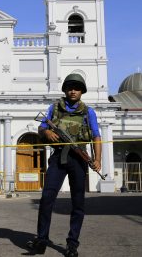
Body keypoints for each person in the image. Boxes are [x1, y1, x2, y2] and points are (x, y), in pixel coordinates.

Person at [28, 73, 102, 256]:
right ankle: (42, 239)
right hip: (59, 158)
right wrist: (47, 134)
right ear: (65, 89)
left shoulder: (88, 112)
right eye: (70, 87)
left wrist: (97, 159)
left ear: (82, 91)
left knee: (78, 203)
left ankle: (72, 244)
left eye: (77, 88)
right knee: (47, 198)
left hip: (78, 159)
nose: (73, 90)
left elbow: (96, 136)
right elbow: (42, 127)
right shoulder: (54, 108)